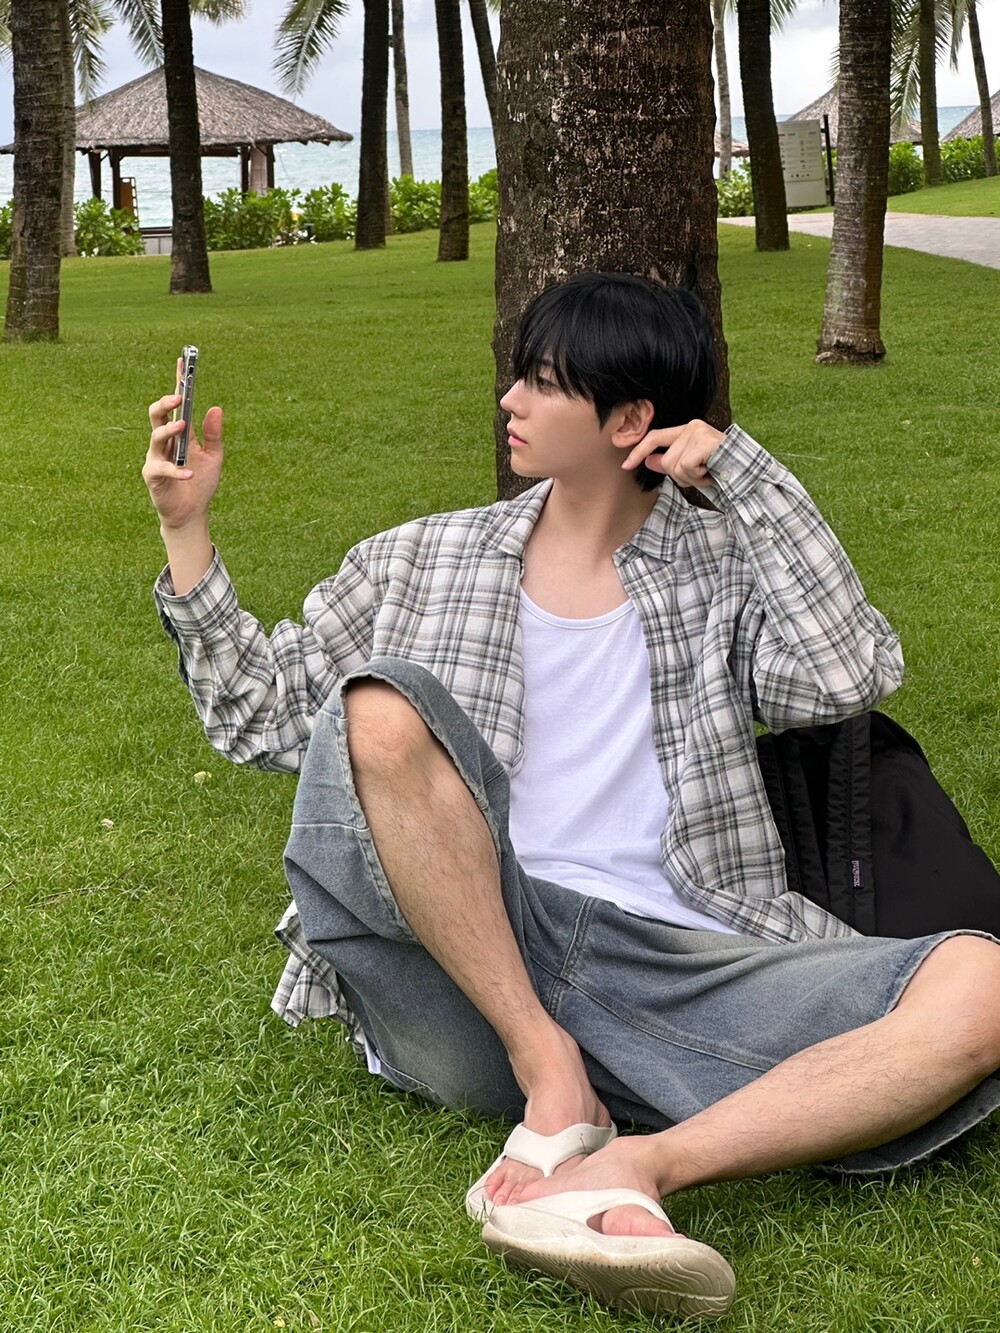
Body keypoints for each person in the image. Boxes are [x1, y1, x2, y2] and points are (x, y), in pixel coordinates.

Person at [144, 273, 1000, 1321]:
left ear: (630, 420)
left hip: (678, 955)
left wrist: (745, 474)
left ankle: (631, 1164)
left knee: (982, 983)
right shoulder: (419, 557)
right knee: (380, 707)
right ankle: (552, 1064)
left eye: (543, 382)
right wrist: (187, 531)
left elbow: (849, 673)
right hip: (473, 959)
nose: (510, 399)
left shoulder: (721, 572)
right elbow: (264, 716)